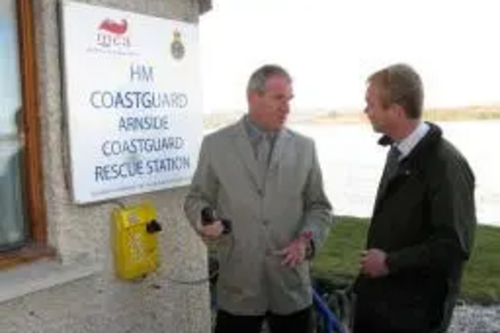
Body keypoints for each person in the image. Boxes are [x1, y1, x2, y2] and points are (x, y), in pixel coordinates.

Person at [184, 64, 333, 333]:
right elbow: (196, 198)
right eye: (279, 98)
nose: (287, 107)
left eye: (289, 99)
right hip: (238, 284)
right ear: (253, 96)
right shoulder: (215, 145)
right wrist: (203, 218)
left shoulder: (305, 147)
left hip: (291, 286)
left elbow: (319, 206)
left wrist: (306, 241)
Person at [352, 63, 477, 333]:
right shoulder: (397, 151)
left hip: (414, 317)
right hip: (382, 306)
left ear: (396, 111)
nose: (365, 111)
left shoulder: (446, 166)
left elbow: (453, 246)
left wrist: (389, 263)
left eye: (370, 104)